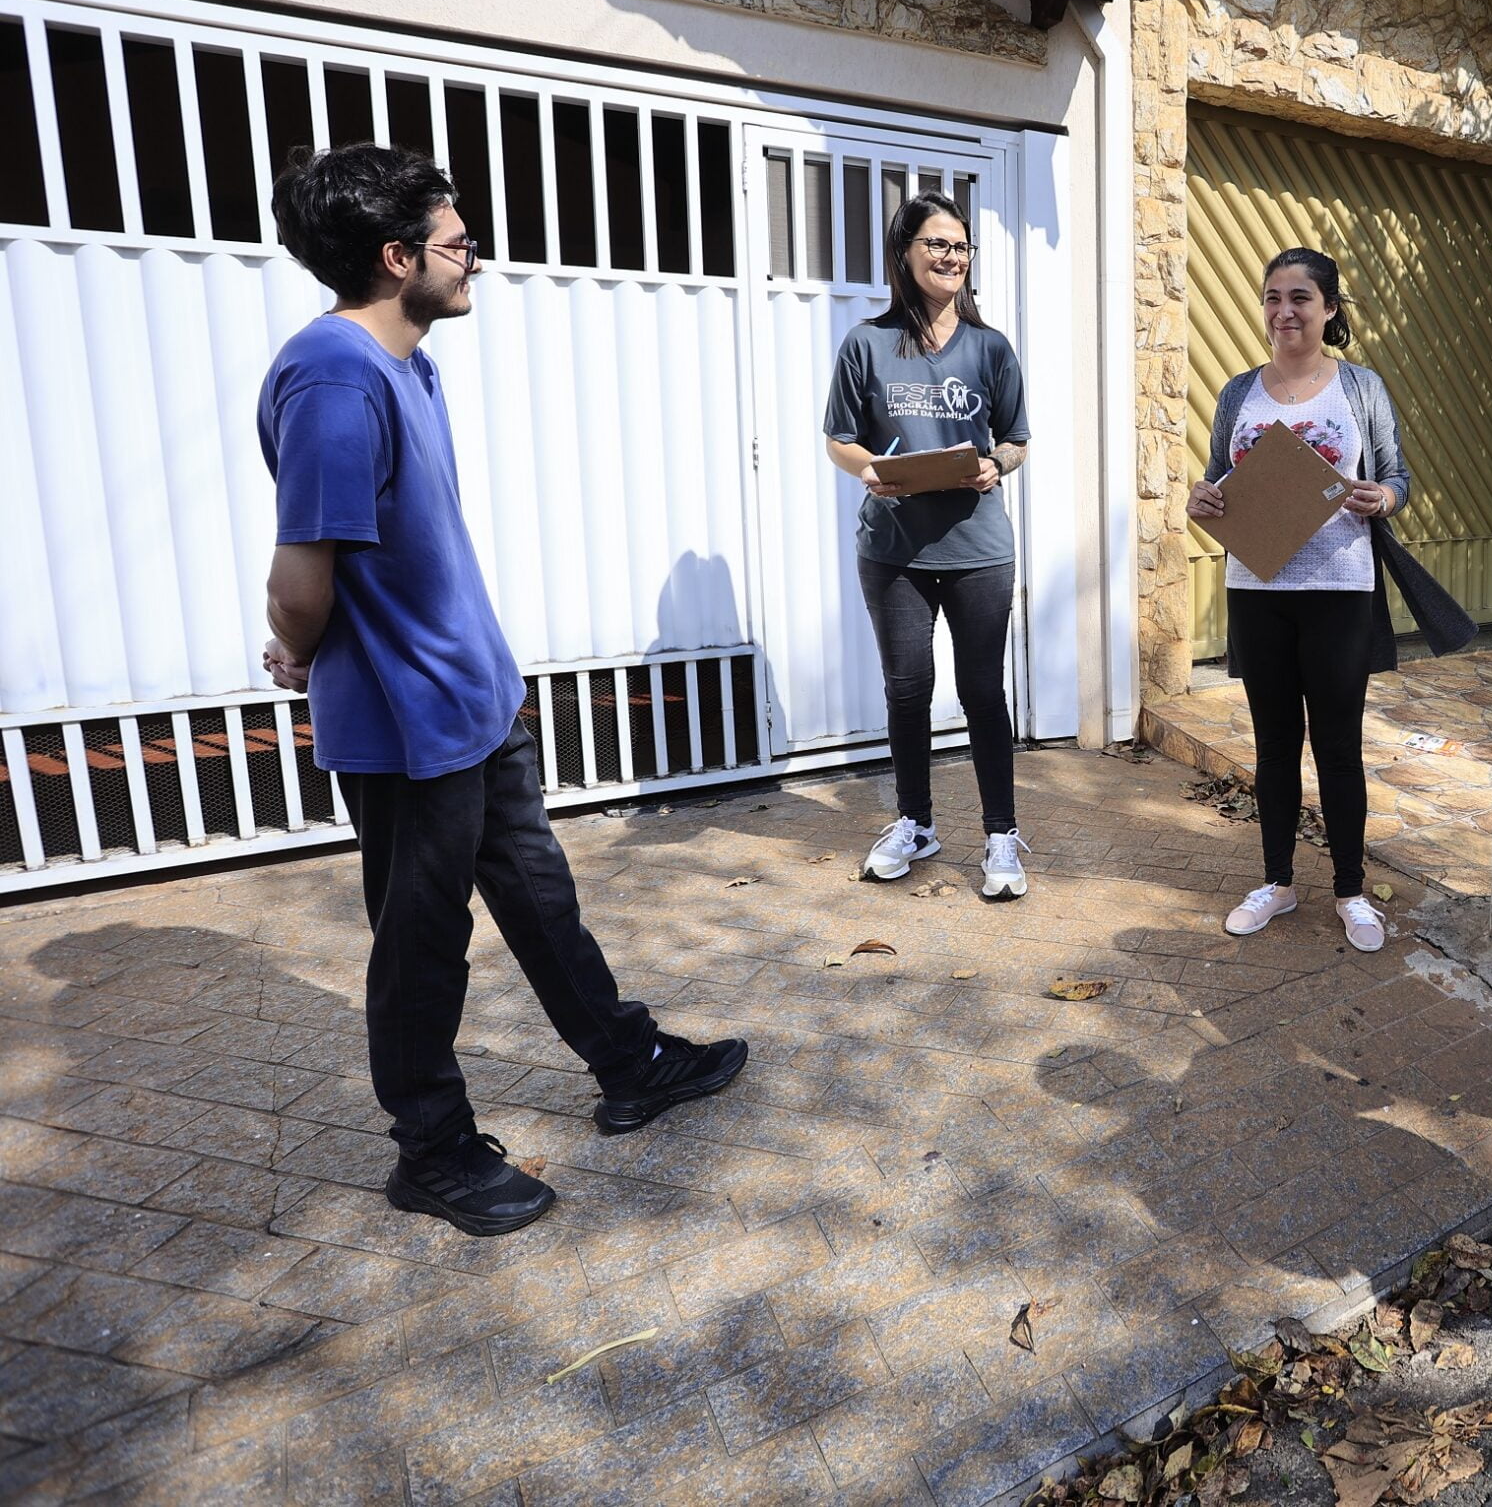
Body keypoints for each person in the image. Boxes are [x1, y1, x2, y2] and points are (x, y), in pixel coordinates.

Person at [257, 144, 748, 1238]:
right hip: (407, 725)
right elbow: (302, 576)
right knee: (422, 941)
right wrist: (295, 644)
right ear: (396, 258)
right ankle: (431, 1150)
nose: (471, 253)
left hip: (474, 702)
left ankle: (630, 1061)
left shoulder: (408, 363)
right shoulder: (334, 378)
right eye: (453, 240)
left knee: (537, 895)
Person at [1186, 247, 1471, 951]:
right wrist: (1204, 497)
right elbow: (1217, 477)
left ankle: (1349, 890)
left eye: (1301, 298)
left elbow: (1398, 472)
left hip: (1340, 586)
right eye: (1273, 297)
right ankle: (1277, 883)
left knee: (1339, 747)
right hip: (1258, 588)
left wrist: (1387, 496)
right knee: (1275, 745)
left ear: (1330, 308)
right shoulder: (1236, 393)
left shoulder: (1361, 388)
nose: (1285, 311)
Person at [823, 192, 1033, 899]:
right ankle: (916, 822)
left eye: (961, 246)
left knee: (981, 692)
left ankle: (1000, 834)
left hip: (979, 547)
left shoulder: (991, 347)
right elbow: (839, 439)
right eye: (937, 244)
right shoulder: (867, 343)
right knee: (907, 693)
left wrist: (993, 465)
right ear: (905, 254)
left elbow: (1017, 439)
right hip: (894, 552)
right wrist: (871, 471)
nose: (951, 257)